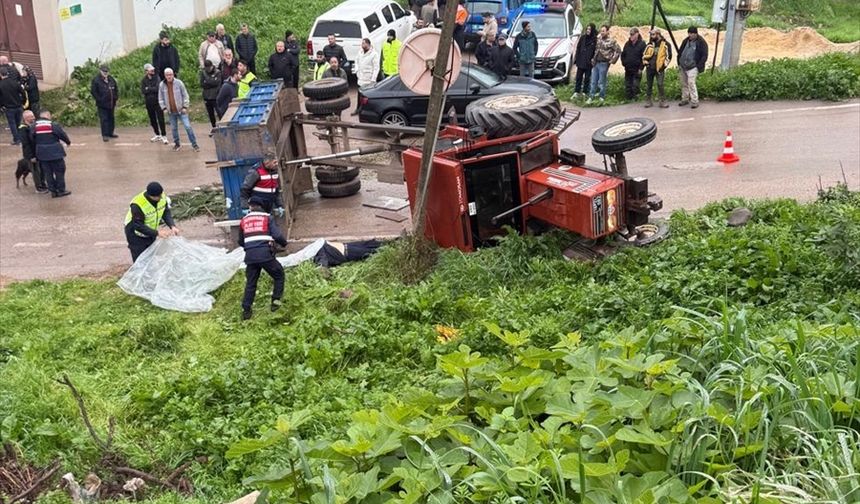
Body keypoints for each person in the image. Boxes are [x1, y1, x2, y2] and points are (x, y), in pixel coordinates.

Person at [238, 195, 287, 320]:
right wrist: (284, 243)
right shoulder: (267, 217)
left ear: (250, 207)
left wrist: (250, 247)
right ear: (261, 206)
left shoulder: (244, 220)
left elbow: (240, 241)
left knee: (251, 283)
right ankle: (275, 304)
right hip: (265, 255)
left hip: (250, 256)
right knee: (279, 275)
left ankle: (246, 310)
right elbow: (277, 235)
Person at [123, 182, 180, 262]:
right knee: (140, 259)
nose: (161, 198)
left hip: (150, 231)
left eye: (161, 195)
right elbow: (138, 225)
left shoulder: (161, 196)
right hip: (135, 233)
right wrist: (157, 233)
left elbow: (165, 211)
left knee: (151, 256)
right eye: (158, 196)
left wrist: (172, 226)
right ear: (151, 196)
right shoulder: (138, 204)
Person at [31, 111, 71, 198]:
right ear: (48, 115)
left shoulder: (34, 126)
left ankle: (52, 190)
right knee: (59, 171)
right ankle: (60, 190)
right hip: (55, 152)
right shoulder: (53, 125)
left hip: (41, 153)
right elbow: (62, 134)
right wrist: (68, 142)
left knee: (48, 173)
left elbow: (32, 140)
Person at [158, 68, 199, 152]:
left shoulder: (179, 83)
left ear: (173, 74)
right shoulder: (162, 85)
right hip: (171, 112)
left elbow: (185, 95)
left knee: (188, 127)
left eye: (170, 74)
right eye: (167, 75)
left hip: (181, 110)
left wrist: (185, 107)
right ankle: (177, 144)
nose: (169, 76)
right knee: (173, 129)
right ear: (165, 76)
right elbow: (160, 98)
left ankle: (194, 144)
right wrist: (164, 108)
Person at [587, 24, 620, 105]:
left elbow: (618, 51)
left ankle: (601, 97)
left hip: (604, 63)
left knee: (601, 81)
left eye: (603, 31)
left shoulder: (611, 41)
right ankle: (591, 96)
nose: (602, 32)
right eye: (601, 31)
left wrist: (612, 60)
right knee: (593, 81)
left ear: (607, 32)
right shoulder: (598, 39)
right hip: (596, 63)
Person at [678, 26, 708, 109]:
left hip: (693, 67)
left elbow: (704, 55)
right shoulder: (685, 41)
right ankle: (685, 99)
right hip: (683, 66)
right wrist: (679, 62)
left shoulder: (701, 42)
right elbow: (680, 51)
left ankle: (694, 101)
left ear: (696, 33)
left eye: (691, 33)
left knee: (691, 83)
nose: (689, 35)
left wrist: (699, 66)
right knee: (684, 83)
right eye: (689, 33)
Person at [18, 110, 48, 193]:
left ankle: (43, 184)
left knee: (41, 169)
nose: (34, 118)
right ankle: (39, 187)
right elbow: (26, 144)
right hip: (31, 154)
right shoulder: (23, 129)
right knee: (35, 171)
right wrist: (31, 156)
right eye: (31, 117)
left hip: (38, 152)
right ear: (26, 118)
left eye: (33, 116)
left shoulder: (32, 126)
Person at [642, 28, 672, 108]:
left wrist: (663, 66)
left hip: (659, 68)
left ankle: (663, 101)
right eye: (651, 35)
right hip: (650, 68)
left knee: (660, 84)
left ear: (658, 34)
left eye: (653, 34)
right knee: (649, 85)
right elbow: (644, 54)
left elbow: (669, 56)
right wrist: (646, 63)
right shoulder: (650, 44)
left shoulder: (666, 44)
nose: (651, 36)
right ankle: (648, 100)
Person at [90, 64, 119, 142]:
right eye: (104, 71)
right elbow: (93, 91)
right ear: (100, 71)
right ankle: (105, 135)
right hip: (102, 105)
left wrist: (116, 97)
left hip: (111, 103)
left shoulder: (111, 79)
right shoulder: (96, 80)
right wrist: (99, 99)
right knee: (104, 119)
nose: (105, 73)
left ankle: (110, 133)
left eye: (107, 71)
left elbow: (116, 89)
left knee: (111, 118)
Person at [141, 63, 168, 144]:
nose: (153, 71)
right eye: (151, 70)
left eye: (153, 69)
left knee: (161, 119)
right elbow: (143, 91)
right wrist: (150, 89)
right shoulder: (143, 80)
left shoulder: (157, 77)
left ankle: (164, 135)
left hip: (158, 102)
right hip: (149, 103)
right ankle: (157, 134)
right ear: (146, 71)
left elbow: (157, 89)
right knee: (152, 120)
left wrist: (148, 88)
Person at [353, 38, 379, 115]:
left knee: (366, 97)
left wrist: (373, 79)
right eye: (362, 43)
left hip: (368, 79)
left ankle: (365, 111)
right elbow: (356, 61)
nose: (362, 45)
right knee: (359, 96)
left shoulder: (374, 54)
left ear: (368, 44)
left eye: (364, 43)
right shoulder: (360, 52)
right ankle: (357, 109)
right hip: (360, 78)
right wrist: (357, 71)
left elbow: (376, 67)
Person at [620, 27, 646, 100]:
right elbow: (623, 54)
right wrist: (624, 63)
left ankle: (636, 100)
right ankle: (628, 100)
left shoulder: (642, 44)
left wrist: (641, 68)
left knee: (635, 86)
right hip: (628, 69)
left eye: (632, 34)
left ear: (637, 34)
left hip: (637, 69)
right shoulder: (627, 44)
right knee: (628, 85)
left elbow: (644, 57)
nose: (631, 36)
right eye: (630, 34)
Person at [0, 68, 24, 145]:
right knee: (18, 123)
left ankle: (16, 139)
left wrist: (1, 106)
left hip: (9, 108)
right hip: (18, 106)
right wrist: (23, 102)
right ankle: (20, 137)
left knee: (12, 124)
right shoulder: (15, 82)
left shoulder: (1, 85)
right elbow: (22, 92)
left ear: (0, 74)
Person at [573, 23, 596, 98]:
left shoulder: (594, 40)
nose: (588, 31)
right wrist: (577, 58)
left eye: (590, 29)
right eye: (587, 29)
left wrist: (592, 59)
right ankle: (576, 91)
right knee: (578, 77)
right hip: (581, 61)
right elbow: (578, 48)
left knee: (587, 78)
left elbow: (595, 51)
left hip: (588, 63)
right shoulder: (583, 38)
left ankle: (585, 92)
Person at [200, 60, 222, 131]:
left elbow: (217, 83)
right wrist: (212, 82)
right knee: (210, 113)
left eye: (209, 68)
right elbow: (202, 84)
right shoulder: (203, 73)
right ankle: (214, 127)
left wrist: (208, 82)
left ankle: (222, 126)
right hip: (207, 96)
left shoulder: (217, 72)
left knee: (219, 112)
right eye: (207, 68)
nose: (208, 70)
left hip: (215, 96)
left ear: (212, 66)